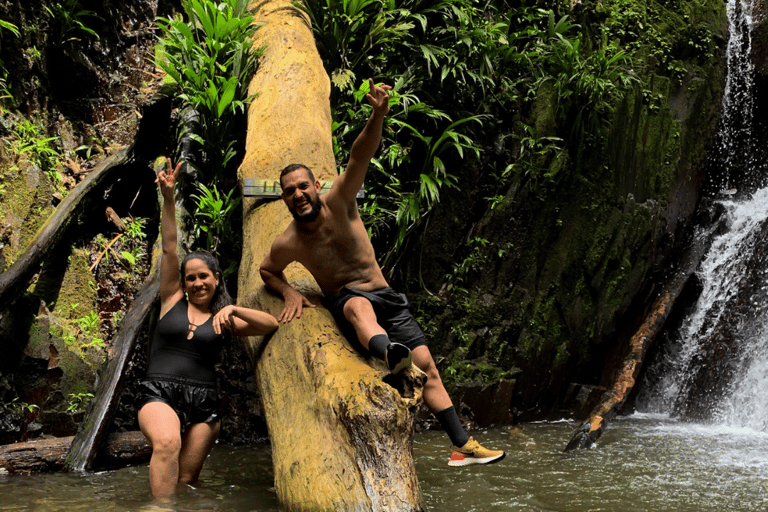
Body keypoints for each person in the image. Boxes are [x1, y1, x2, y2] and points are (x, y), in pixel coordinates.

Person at [259, 79, 505, 467]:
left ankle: (463, 445)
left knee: (430, 372)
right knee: (357, 308)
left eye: (302, 186)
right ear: (284, 198)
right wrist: (289, 291)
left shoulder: (340, 201)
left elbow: (360, 156)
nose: (297, 194)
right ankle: (389, 354)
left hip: (387, 297)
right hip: (350, 302)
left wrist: (378, 114)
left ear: (315, 186)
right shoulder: (287, 242)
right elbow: (267, 270)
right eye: (289, 191)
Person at [138, 158, 279, 498]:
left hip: (205, 403)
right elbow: (170, 247)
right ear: (183, 283)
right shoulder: (171, 299)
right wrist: (168, 198)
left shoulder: (225, 318)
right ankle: (160, 510)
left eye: (204, 276)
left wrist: (233, 308)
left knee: (186, 481)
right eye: (191, 278)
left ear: (217, 278)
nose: (198, 283)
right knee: (167, 442)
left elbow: (270, 323)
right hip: (160, 391)